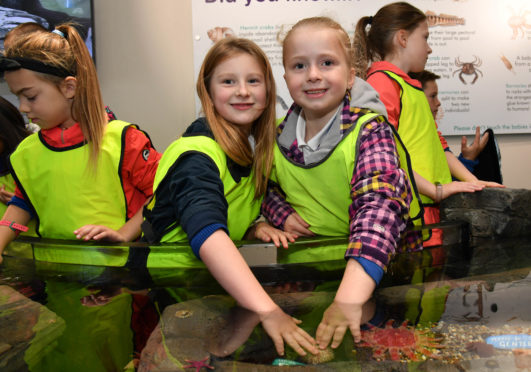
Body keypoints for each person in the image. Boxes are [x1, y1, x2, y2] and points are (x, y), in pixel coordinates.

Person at [141, 37, 317, 357]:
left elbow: (227, 209)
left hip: (219, 289)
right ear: (207, 91)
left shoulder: (246, 148)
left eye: (253, 81)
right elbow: (208, 233)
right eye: (228, 81)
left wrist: (254, 227)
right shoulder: (197, 155)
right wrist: (269, 311)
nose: (243, 91)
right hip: (180, 294)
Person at [260, 16, 419, 351]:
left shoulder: (370, 131)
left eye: (327, 63)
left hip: (374, 274)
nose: (313, 75)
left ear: (350, 78)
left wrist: (349, 299)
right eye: (299, 65)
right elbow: (262, 188)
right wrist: (280, 213)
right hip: (308, 274)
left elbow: (380, 207)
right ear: (286, 77)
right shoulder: (274, 137)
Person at [0, 23, 161, 265]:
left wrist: (125, 233)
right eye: (18, 97)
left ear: (69, 87)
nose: (22, 107)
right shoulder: (26, 153)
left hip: (121, 279)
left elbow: (163, 191)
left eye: (30, 96)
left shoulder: (123, 140)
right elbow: (23, 203)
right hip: (54, 277)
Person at [353, 2, 502, 246]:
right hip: (408, 215)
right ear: (403, 38)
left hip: (431, 208)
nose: (429, 48)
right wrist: (435, 191)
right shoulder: (381, 83)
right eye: (425, 37)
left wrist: (473, 182)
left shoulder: (410, 86)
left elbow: (439, 146)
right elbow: (384, 156)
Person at [408, 70, 502, 182]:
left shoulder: (432, 131)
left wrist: (468, 158)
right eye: (433, 96)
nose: (438, 102)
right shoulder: (408, 135)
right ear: (416, 97)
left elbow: (448, 178)